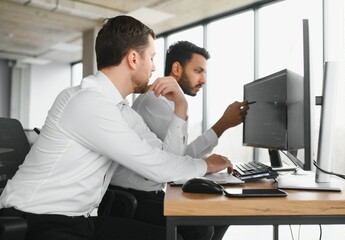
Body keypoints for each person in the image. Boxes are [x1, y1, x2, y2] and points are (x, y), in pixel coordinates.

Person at [0, 16, 233, 240]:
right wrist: (205, 165)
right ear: (133, 59)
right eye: (151, 58)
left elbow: (167, 159)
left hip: (79, 220)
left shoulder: (121, 111)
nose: (153, 68)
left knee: (174, 235)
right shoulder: (87, 101)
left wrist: (180, 106)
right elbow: (156, 166)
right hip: (37, 220)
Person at [108, 41, 249, 240]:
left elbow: (177, 158)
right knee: (200, 227)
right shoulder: (155, 101)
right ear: (176, 68)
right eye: (198, 71)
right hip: (133, 198)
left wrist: (222, 127)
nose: (204, 80)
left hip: (146, 193)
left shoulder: (167, 102)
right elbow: (173, 167)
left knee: (219, 215)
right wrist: (206, 162)